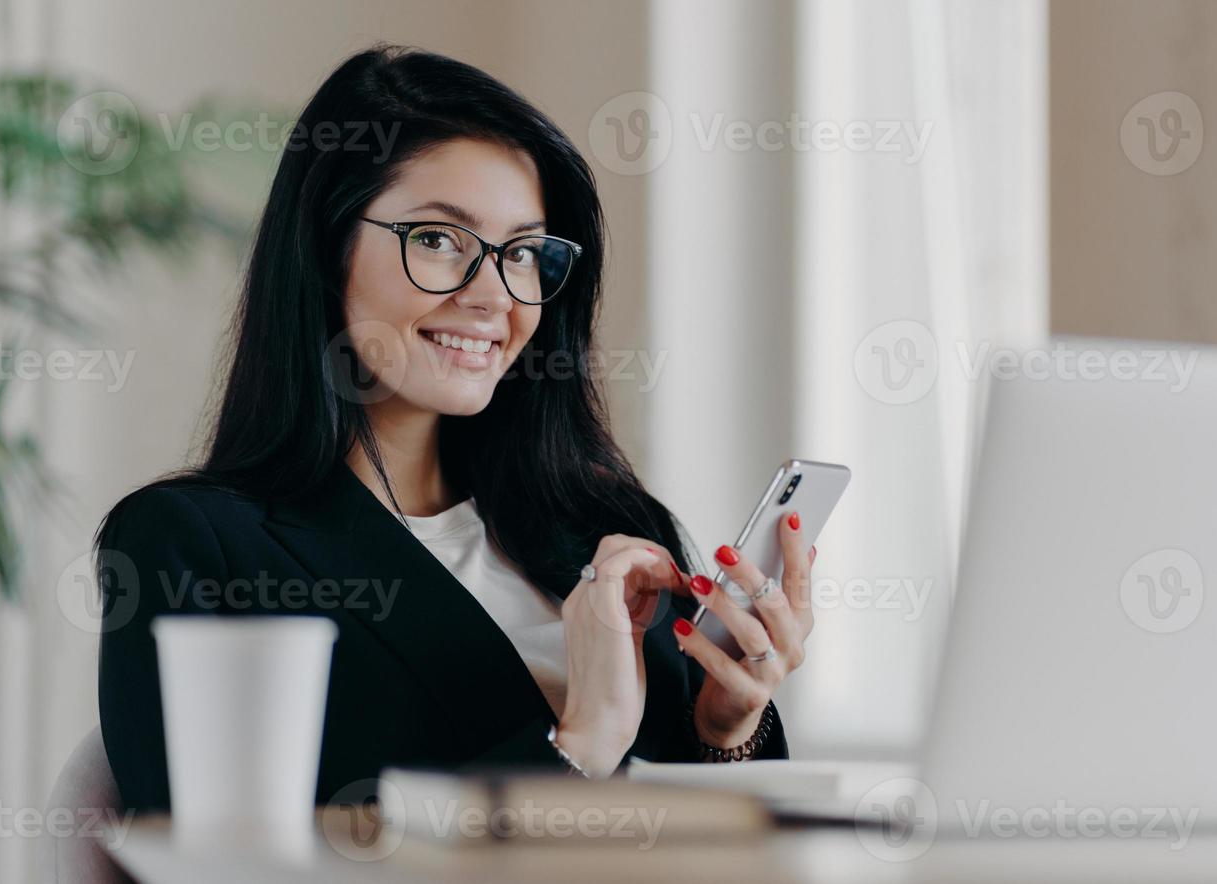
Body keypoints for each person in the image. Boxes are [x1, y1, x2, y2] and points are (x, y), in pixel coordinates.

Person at [95, 45, 820, 813]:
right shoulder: (192, 544)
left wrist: (726, 727)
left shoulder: (612, 529)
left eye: (523, 253)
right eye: (439, 240)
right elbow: (212, 861)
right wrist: (578, 745)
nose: (492, 295)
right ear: (325, 245)